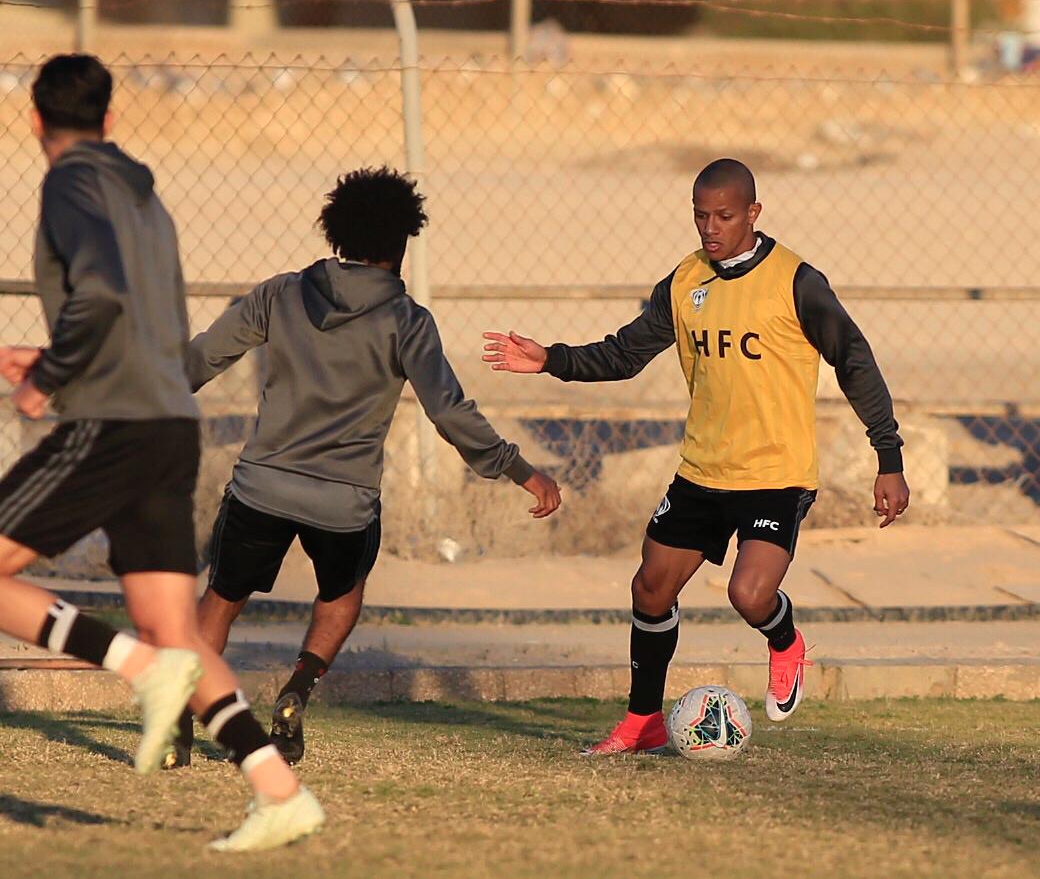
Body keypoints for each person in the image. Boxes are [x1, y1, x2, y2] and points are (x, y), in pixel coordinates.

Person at [0, 54, 324, 851]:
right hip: (168, 426)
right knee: (174, 631)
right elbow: (128, 308)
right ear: (111, 120)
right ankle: (278, 791)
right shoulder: (144, 196)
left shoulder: (68, 181)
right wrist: (53, 353)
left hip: (113, 426)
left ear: (35, 122)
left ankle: (139, 670)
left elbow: (103, 293)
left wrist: (48, 372)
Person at [483, 158, 909, 754]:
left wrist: (887, 455)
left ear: (753, 214)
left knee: (749, 595)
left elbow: (854, 360)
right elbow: (623, 355)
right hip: (702, 472)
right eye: (700, 215)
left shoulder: (797, 282)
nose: (711, 228)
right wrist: (550, 358)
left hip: (775, 474)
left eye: (725, 216)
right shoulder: (685, 283)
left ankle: (784, 640)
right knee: (650, 590)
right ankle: (642, 723)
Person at [176, 166, 562, 766]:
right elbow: (450, 413)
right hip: (345, 502)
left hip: (261, 487)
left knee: (222, 599)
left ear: (335, 233)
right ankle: (297, 690)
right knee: (342, 594)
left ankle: (178, 717)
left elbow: (201, 359)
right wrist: (518, 469)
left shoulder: (281, 292)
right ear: (404, 241)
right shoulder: (406, 321)